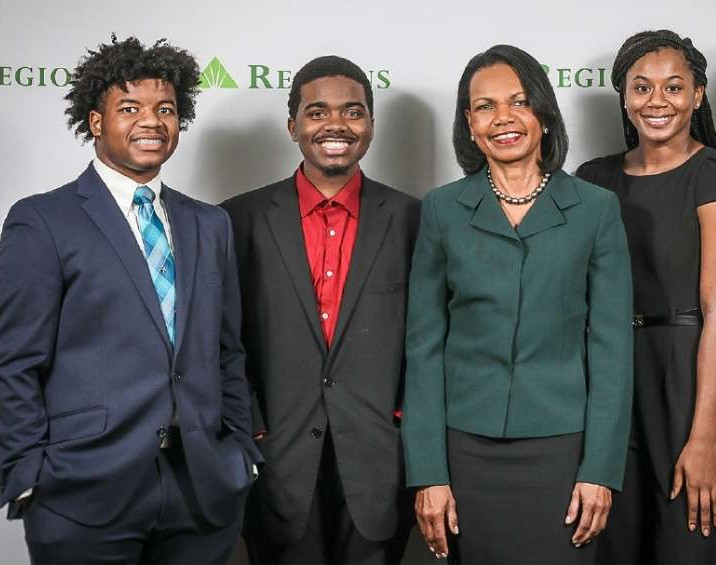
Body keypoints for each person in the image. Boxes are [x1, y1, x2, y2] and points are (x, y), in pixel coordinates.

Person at [0, 36, 260, 563]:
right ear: (96, 122)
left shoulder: (210, 225)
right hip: (82, 493)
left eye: (165, 109)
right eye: (129, 108)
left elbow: (228, 350)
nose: (151, 121)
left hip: (201, 491)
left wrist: (241, 454)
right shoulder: (43, 221)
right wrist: (29, 472)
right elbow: (14, 360)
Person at [401, 44, 634, 564]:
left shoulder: (595, 209)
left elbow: (613, 349)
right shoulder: (442, 209)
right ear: (468, 122)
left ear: (543, 115)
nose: (502, 118)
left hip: (562, 448)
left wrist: (600, 469)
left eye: (519, 102)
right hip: (465, 448)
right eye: (484, 106)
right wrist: (429, 473)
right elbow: (423, 348)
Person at [221, 55, 420, 564]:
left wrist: (402, 419)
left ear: (371, 125)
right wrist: (253, 422)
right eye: (317, 112)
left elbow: (429, 337)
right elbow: (221, 337)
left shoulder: (412, 218)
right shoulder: (237, 219)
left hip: (381, 458)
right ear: (293, 126)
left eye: (353, 112)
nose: (336, 125)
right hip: (277, 456)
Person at [576, 30, 716, 564]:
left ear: (698, 95)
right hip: (613, 384)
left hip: (692, 380)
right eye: (642, 87)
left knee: (692, 545)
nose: (658, 100)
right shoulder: (592, 179)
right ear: (624, 97)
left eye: (674, 87)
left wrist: (705, 439)